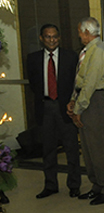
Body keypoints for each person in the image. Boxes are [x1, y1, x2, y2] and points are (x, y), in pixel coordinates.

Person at [67, 17, 104, 206]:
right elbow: (80, 79)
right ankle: (97, 186)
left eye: (80, 32)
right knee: (89, 148)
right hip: (86, 98)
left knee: (99, 147)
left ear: (87, 32)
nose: (79, 35)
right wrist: (73, 100)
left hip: (94, 100)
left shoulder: (99, 50)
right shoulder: (88, 50)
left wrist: (79, 108)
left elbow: (90, 82)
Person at [26, 24, 81, 199]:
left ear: (59, 38)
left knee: (71, 149)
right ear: (41, 38)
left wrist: (73, 103)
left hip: (66, 108)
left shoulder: (70, 57)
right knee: (48, 149)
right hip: (45, 107)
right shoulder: (33, 58)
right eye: (48, 37)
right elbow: (34, 84)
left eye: (55, 36)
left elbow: (76, 82)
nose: (52, 40)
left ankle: (74, 185)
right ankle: (50, 185)